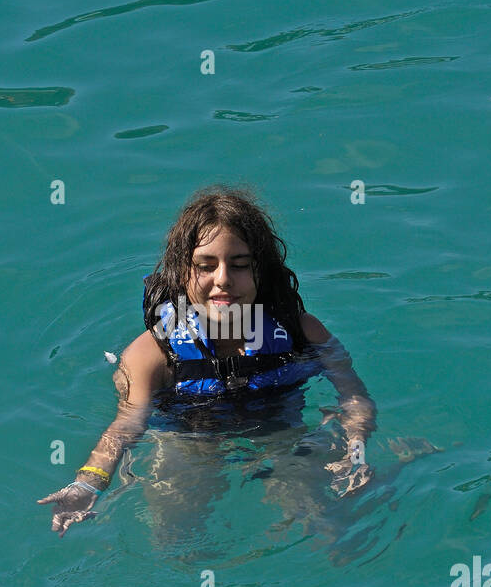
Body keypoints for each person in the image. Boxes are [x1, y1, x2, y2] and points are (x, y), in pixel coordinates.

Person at [37, 186, 376, 537]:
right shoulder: (151, 355)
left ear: (262, 270)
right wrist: (88, 484)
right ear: (182, 272)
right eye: (205, 266)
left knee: (324, 528)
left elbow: (354, 397)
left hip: (278, 432)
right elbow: (125, 426)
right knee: (176, 536)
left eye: (240, 265)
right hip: (188, 439)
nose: (223, 279)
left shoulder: (303, 331)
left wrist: (354, 449)